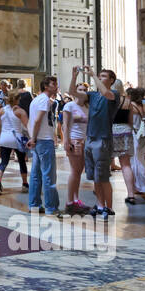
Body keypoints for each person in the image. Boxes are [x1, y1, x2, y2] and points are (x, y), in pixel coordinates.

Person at [69, 64, 120, 217]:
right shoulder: (92, 95)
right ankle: (99, 205)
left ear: (111, 80)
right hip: (90, 139)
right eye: (100, 75)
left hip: (103, 139)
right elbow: (72, 92)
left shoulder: (114, 94)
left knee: (103, 176)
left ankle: (109, 208)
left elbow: (106, 93)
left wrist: (93, 75)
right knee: (95, 177)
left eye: (104, 76)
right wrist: (74, 76)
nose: (100, 78)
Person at [26, 76, 62, 215]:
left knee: (36, 174)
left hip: (39, 140)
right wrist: (33, 138)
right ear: (46, 86)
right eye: (54, 84)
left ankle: (34, 205)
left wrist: (32, 138)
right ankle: (51, 207)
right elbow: (37, 121)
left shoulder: (36, 100)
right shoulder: (44, 100)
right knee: (49, 174)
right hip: (44, 140)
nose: (56, 86)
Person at [0, 90, 30, 194]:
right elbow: (28, 126)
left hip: (4, 138)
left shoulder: (1, 110)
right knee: (22, 161)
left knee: (4, 161)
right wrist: (31, 137)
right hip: (17, 138)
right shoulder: (20, 111)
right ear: (17, 99)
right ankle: (25, 184)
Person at [62, 87, 90, 215]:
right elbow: (65, 125)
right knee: (74, 171)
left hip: (85, 141)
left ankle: (75, 200)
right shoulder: (69, 105)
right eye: (79, 89)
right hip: (74, 140)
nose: (82, 91)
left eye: (84, 89)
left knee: (78, 172)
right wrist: (66, 141)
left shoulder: (88, 107)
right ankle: (69, 202)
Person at [124, 87, 145, 204]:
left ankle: (139, 186)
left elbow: (128, 121)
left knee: (134, 161)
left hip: (134, 134)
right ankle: (144, 185)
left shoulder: (131, 105)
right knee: (140, 160)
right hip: (143, 134)